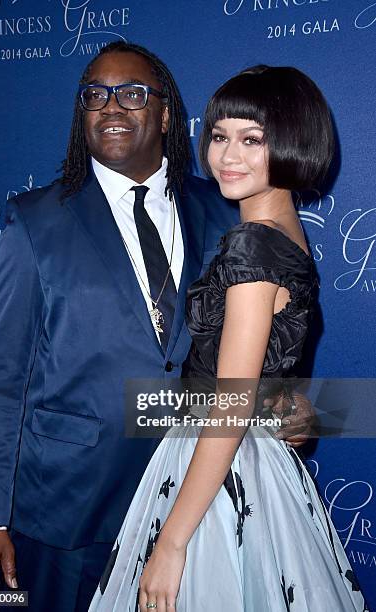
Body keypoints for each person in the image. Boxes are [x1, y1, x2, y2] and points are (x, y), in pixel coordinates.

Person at [0, 45, 313, 612]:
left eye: (132, 93)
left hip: (196, 505)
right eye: (94, 95)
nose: (111, 107)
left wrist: (293, 404)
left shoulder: (230, 210)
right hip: (66, 513)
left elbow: (256, 347)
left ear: (167, 114)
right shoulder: (32, 220)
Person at [88, 66, 367, 611]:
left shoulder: (253, 246)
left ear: (292, 143)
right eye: (219, 136)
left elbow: (232, 404)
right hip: (259, 468)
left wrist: (170, 542)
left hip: (219, 467)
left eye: (252, 140)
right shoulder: (289, 235)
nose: (227, 156)